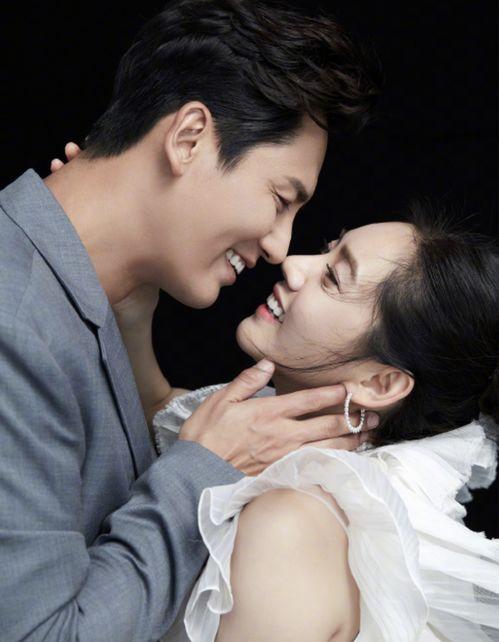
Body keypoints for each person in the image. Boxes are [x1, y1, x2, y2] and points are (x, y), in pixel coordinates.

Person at [0, 1, 382, 640]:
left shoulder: (75, 295)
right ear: (189, 139)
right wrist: (204, 467)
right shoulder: (15, 323)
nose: (281, 248)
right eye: (280, 199)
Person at [130, 210, 497, 641]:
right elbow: (156, 407)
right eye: (328, 249)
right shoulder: (279, 445)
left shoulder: (292, 526)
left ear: (379, 384)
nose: (293, 263)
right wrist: (127, 299)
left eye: (333, 278)